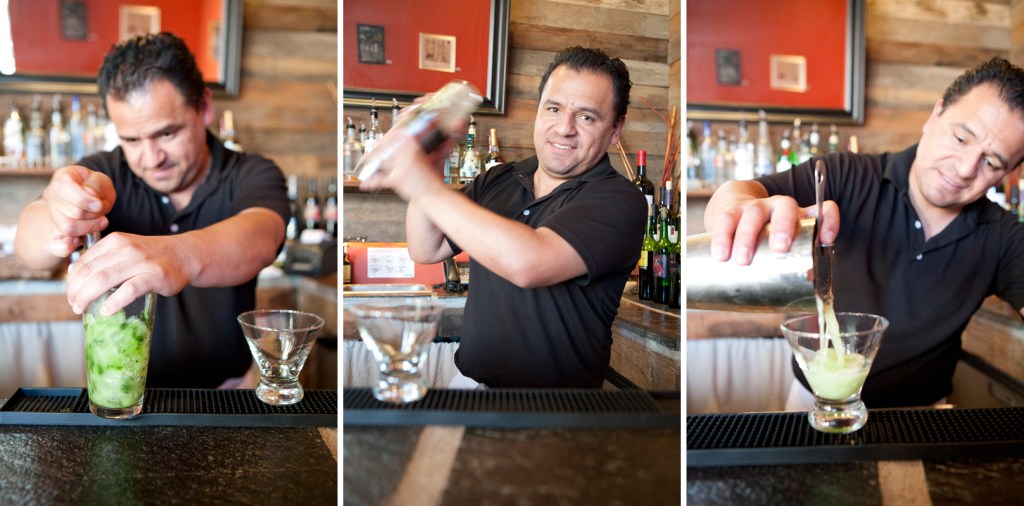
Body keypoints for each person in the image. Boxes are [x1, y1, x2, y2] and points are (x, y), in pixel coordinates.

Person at [704, 56, 1024, 408]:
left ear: (1007, 173)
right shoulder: (846, 176)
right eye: (961, 138)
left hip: (923, 416)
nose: (965, 169)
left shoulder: (1005, 238)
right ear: (936, 115)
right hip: (814, 400)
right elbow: (738, 193)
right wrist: (737, 209)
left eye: (991, 162)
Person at [14, 33, 290, 388]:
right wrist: (58, 211)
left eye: (167, 134)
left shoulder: (251, 173)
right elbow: (29, 249)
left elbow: (262, 235)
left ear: (204, 106)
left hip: (229, 392)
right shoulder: (104, 172)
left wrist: (174, 255)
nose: (151, 158)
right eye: (131, 139)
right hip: (122, 393)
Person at [360, 46, 647, 388]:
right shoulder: (498, 179)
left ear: (615, 129)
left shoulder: (619, 200)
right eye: (553, 108)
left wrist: (420, 183)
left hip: (556, 406)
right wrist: (431, 163)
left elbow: (529, 263)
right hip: (469, 388)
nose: (564, 128)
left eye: (586, 117)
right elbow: (426, 247)